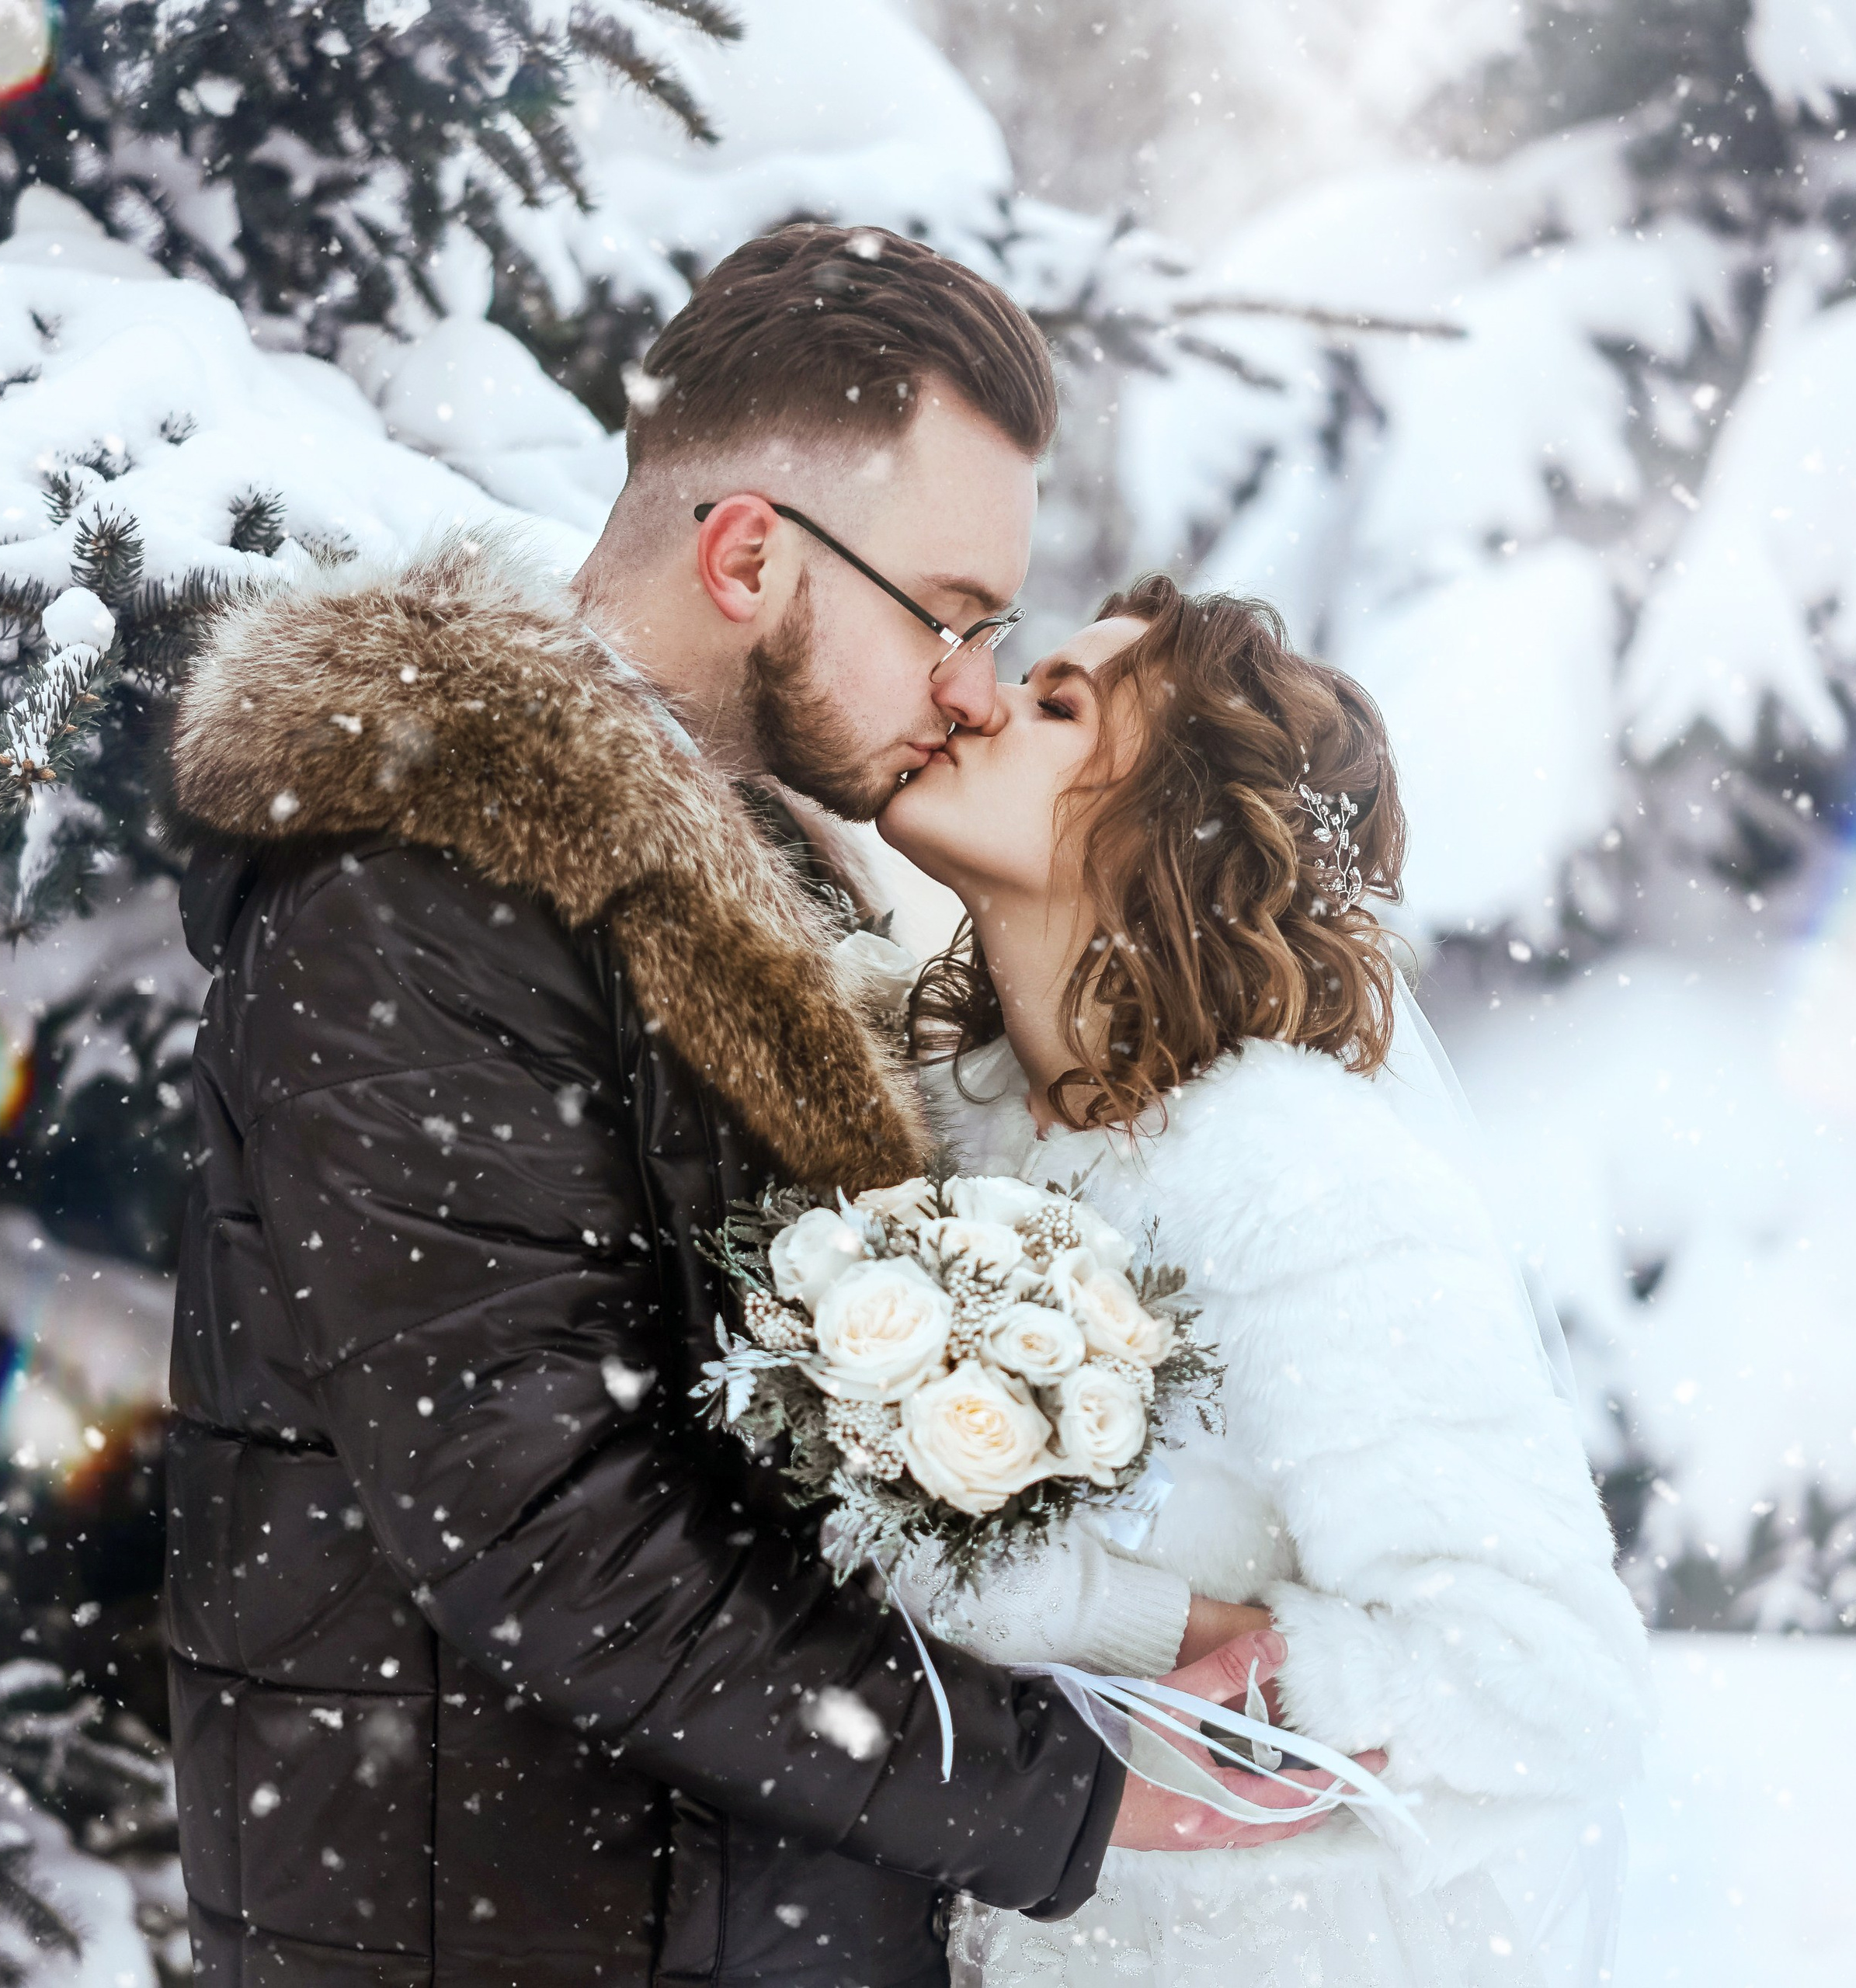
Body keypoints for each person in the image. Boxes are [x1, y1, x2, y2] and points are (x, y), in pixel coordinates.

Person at [163, 226, 1339, 1988]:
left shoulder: (769, 903)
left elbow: (820, 1489)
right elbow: (546, 1524)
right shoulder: (408, 903)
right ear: (743, 554)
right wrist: (1070, 1789)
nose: (970, 681)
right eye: (947, 612)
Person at [877, 579, 1653, 1986]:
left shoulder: (1302, 1185)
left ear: (1165, 834)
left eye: (1059, 706)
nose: (974, 698)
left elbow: (1547, 1684)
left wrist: (1197, 1655)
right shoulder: (935, 1126)